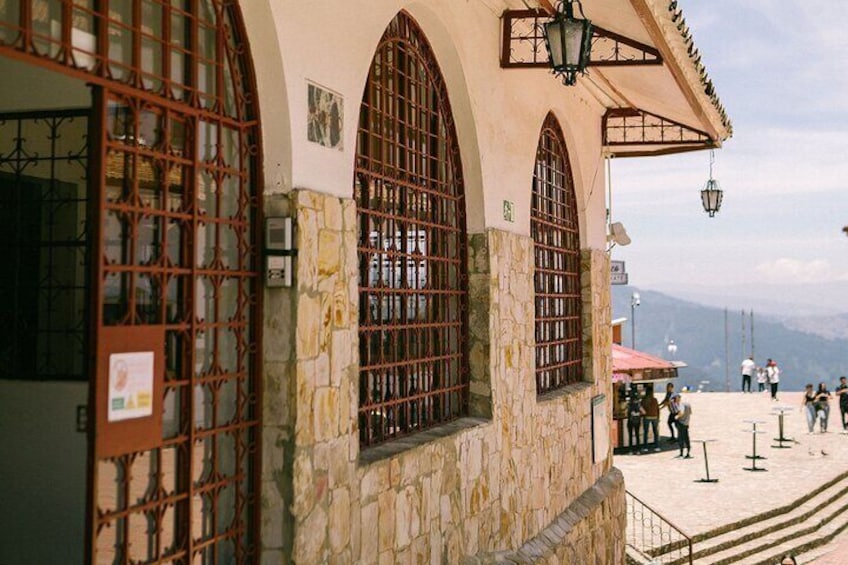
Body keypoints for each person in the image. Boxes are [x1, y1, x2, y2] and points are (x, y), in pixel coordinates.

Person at [641, 385, 660, 451]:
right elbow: (658, 409)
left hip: (647, 417)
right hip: (655, 417)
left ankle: (645, 447)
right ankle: (656, 446)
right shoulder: (655, 400)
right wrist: (658, 417)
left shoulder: (644, 400)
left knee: (646, 432)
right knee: (655, 432)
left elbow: (641, 408)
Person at [672, 393, 692, 458]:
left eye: (675, 399)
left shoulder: (681, 405)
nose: (675, 401)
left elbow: (681, 413)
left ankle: (681, 453)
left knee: (680, 438)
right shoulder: (688, 404)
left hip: (681, 424)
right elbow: (690, 413)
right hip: (686, 423)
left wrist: (676, 417)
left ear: (678, 398)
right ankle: (688, 453)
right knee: (686, 438)